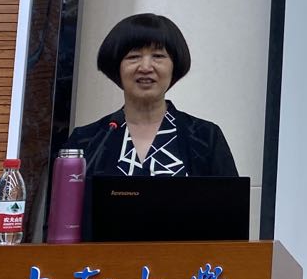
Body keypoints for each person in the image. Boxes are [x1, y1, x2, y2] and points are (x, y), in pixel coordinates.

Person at [67, 13, 238, 178]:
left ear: (174, 66)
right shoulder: (86, 140)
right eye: (134, 57)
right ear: (116, 66)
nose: (146, 67)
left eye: (158, 56)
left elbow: (230, 198)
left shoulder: (206, 137)